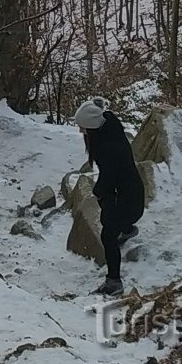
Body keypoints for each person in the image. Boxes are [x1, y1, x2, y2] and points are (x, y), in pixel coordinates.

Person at [72, 96, 144, 296]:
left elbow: (107, 180)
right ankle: (127, 230)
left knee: (107, 235)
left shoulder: (108, 149)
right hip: (134, 192)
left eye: (83, 128)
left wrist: (97, 192)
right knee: (112, 219)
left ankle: (114, 281)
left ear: (93, 128)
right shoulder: (109, 122)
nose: (81, 131)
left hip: (127, 201)